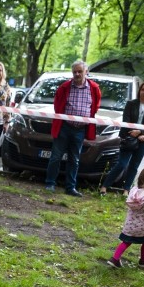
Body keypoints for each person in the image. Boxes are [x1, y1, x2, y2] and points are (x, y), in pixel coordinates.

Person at [45, 60, 101, 197]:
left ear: (86, 72)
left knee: (74, 159)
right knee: (56, 157)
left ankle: (70, 187)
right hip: (64, 127)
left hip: (80, 130)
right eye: (75, 71)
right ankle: (50, 183)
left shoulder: (93, 88)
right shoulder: (64, 87)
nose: (77, 74)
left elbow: (95, 106)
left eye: (80, 71)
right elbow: (57, 105)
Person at [99, 81, 144, 196]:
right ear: (139, 90)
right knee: (121, 164)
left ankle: (126, 190)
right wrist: (136, 133)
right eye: (143, 89)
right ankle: (104, 186)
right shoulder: (131, 103)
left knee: (134, 166)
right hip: (128, 136)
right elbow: (126, 120)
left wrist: (141, 132)